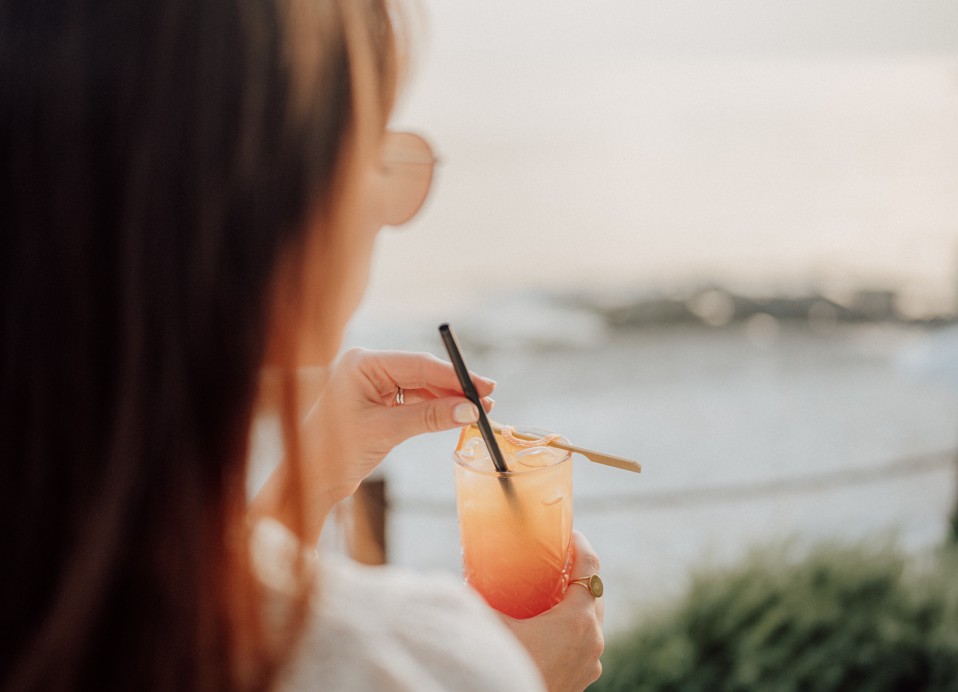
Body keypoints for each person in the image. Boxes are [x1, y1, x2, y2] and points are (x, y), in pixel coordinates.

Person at [0, 0, 605, 690]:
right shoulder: (402, 665)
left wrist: (309, 479)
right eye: (380, 156)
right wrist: (516, 678)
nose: (388, 213)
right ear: (274, 204)